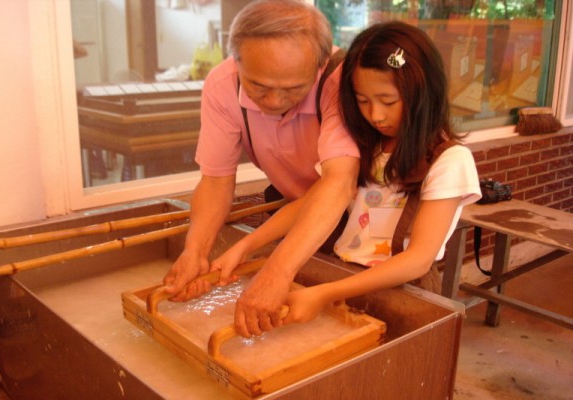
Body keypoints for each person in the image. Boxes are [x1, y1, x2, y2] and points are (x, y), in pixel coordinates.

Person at [211, 21, 481, 327]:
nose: (375, 115)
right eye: (363, 101)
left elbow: (418, 259)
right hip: (343, 277)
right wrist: (245, 246)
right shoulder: (362, 146)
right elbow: (307, 204)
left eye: (388, 101)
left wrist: (325, 294)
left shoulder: (449, 161)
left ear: (424, 93)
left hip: (403, 294)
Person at [163, 0, 360, 337]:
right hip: (291, 209)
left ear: (319, 66)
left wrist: (277, 271)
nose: (274, 101)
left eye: (293, 89)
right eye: (258, 87)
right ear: (237, 62)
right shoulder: (222, 85)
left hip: (359, 216)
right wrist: (196, 251)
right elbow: (216, 180)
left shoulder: (341, 81)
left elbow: (339, 184)